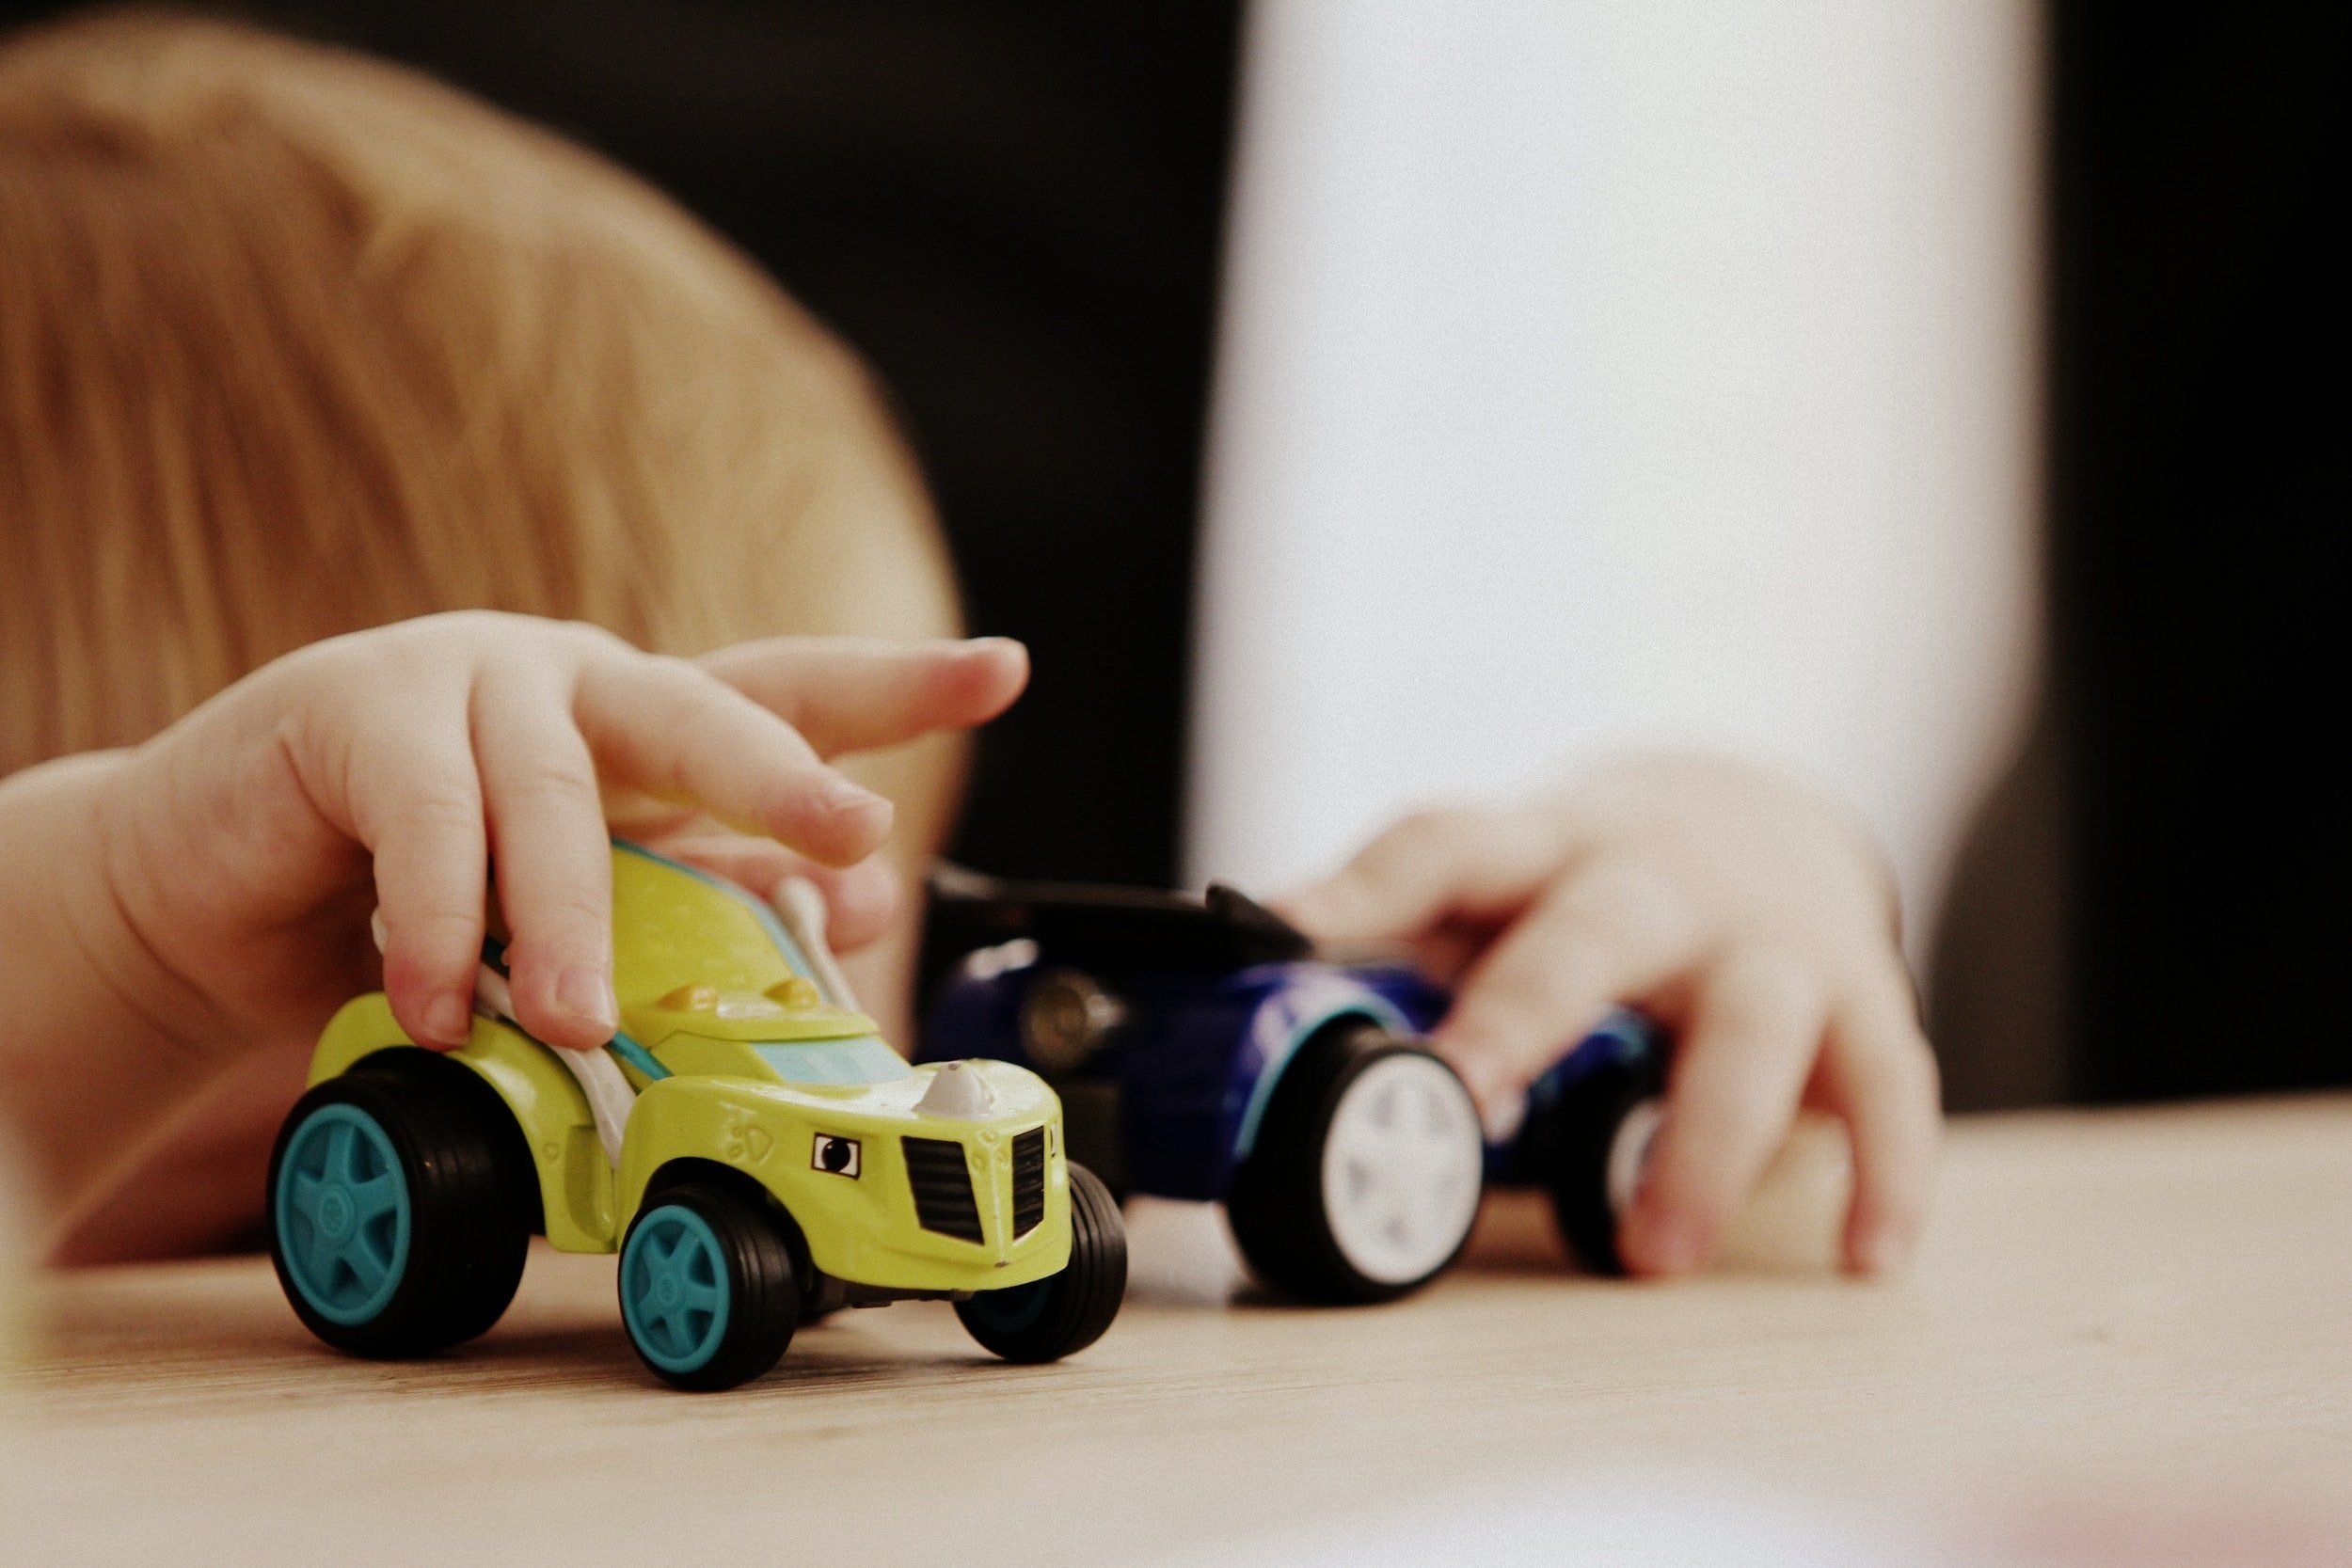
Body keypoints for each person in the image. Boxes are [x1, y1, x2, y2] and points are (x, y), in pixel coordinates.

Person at [0, 12, 1933, 1281]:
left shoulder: (829, 1055)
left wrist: (1699, 868)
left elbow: (1340, 1125)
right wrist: (110, 939)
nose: (807, 959)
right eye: (227, 1225)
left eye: (811, 912)